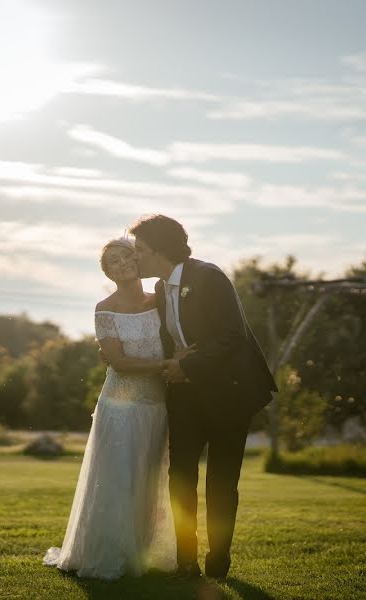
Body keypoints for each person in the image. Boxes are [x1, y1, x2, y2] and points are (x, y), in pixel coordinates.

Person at [129, 214, 277, 579]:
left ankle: (219, 560)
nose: (135, 258)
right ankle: (186, 562)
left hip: (229, 394)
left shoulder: (210, 277)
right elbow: (167, 340)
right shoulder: (162, 290)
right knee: (180, 477)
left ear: (161, 250)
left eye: (141, 251)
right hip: (183, 397)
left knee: (222, 481)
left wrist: (189, 365)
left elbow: (232, 336)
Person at [43, 236, 195, 579]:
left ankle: (139, 552)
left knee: (148, 479)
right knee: (117, 479)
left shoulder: (161, 300)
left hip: (158, 405)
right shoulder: (104, 308)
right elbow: (118, 362)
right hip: (120, 405)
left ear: (139, 259)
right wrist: (169, 365)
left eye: (128, 255)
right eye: (114, 260)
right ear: (106, 271)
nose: (123, 263)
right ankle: (107, 553)